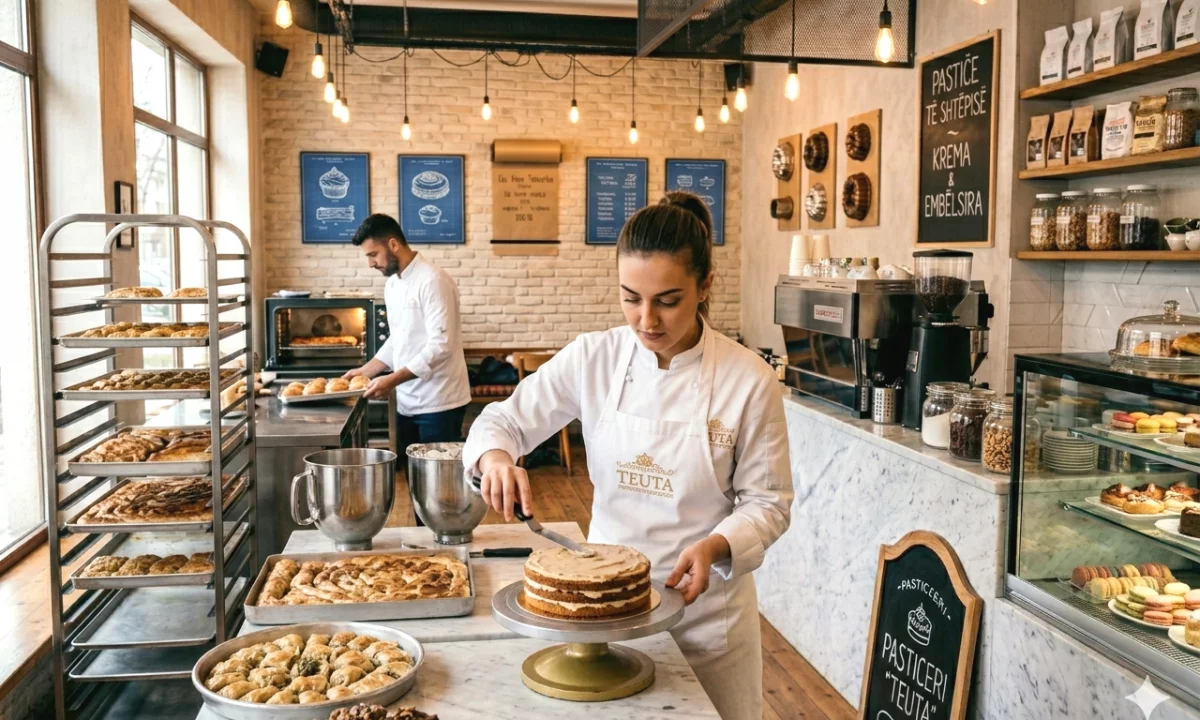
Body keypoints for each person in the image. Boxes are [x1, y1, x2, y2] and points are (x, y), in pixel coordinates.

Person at [462, 192, 793, 719]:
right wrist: (496, 459)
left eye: (667, 300)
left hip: (705, 621)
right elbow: (501, 421)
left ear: (706, 286)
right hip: (603, 616)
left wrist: (717, 546)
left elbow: (768, 503)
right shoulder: (595, 356)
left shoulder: (748, 379)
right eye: (630, 297)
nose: (646, 320)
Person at [345, 214, 471, 449]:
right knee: (414, 478)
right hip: (407, 399)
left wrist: (392, 380)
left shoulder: (433, 280)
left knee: (438, 482)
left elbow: (441, 345)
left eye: (373, 255)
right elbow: (399, 338)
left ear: (393, 244)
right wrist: (366, 370)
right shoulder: (392, 283)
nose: (370, 264)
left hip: (439, 401)